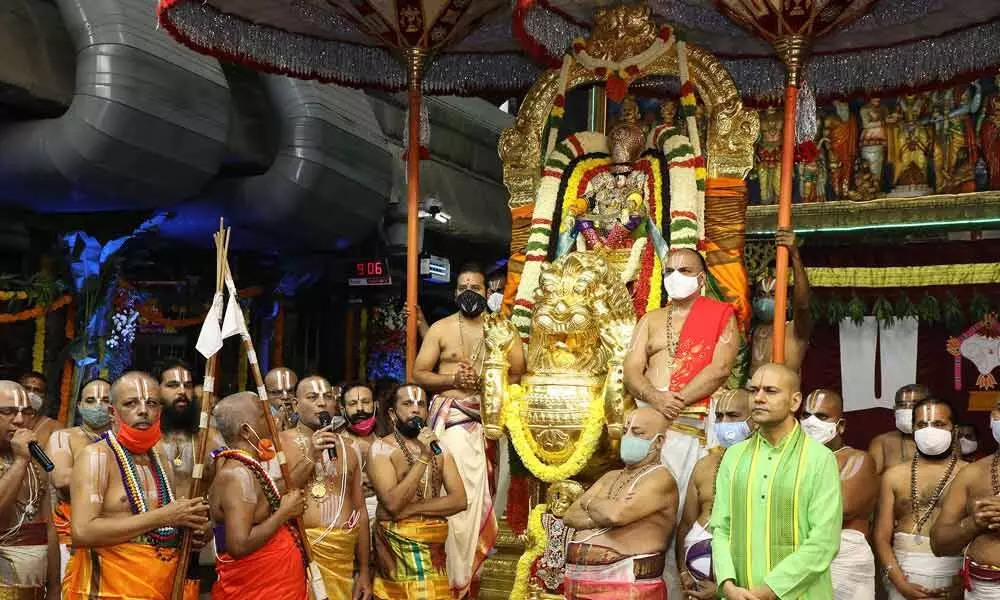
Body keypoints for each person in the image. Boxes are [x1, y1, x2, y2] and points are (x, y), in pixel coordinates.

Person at [624, 247, 739, 595]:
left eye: (685, 270)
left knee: (688, 518)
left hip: (694, 431)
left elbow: (720, 368)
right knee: (646, 514)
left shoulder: (720, 316)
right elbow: (631, 372)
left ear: (701, 279)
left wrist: (677, 401)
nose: (676, 276)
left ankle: (689, 585)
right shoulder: (650, 320)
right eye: (670, 269)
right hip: (650, 432)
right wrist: (658, 399)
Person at [413, 263, 524, 598]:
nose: (469, 294)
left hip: (487, 422)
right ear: (454, 292)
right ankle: (450, 577)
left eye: (475, 288)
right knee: (453, 497)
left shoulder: (501, 329)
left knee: (485, 496)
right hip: (452, 423)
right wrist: (452, 380)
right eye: (463, 288)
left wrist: (489, 382)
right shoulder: (442, 329)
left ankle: (476, 574)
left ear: (487, 293)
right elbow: (420, 373)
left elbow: (519, 373)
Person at [63, 371, 210, 600]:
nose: (143, 410)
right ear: (113, 413)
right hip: (109, 592)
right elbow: (83, 532)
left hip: (161, 588)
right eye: (131, 403)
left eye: (151, 403)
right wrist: (166, 516)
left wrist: (189, 532)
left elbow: (163, 529)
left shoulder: (160, 458)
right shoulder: (97, 456)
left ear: (160, 411)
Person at [712, 364, 843, 600]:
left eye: (770, 391)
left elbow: (824, 541)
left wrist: (770, 590)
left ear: (794, 402)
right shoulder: (734, 455)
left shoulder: (819, 458)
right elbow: (721, 527)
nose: (759, 398)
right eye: (754, 390)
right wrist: (728, 585)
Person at [561, 407, 678, 599]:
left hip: (628, 587)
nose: (628, 437)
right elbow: (570, 515)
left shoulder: (660, 478)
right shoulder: (610, 476)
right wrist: (600, 512)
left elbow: (615, 515)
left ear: (658, 442)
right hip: (577, 585)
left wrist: (588, 501)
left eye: (637, 433)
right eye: (625, 431)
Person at [367, 383, 467, 600]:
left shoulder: (440, 449)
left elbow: (459, 500)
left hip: (432, 547)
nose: (415, 410)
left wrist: (412, 508)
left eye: (421, 404)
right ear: (393, 413)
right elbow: (393, 504)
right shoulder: (381, 449)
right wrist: (423, 457)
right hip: (398, 551)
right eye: (408, 403)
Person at [209, 391, 308, 600]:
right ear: (246, 431)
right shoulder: (235, 475)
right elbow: (239, 545)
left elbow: (265, 501)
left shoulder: (249, 467)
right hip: (256, 590)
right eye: (264, 415)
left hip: (278, 587)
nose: (273, 418)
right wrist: (284, 512)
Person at [279, 376, 371, 599]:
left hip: (342, 557)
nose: (322, 403)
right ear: (295, 403)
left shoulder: (351, 448)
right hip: (301, 555)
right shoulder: (280, 442)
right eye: (312, 397)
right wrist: (311, 454)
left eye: (327, 397)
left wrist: (365, 571)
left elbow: (360, 511)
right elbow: (276, 496)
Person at [875, 397, 965, 600]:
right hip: (904, 573)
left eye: (939, 424)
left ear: (954, 430)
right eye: (922, 425)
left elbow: (978, 535)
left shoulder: (969, 474)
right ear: (913, 429)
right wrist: (898, 581)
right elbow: (881, 536)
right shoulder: (893, 475)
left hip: (954, 575)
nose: (929, 430)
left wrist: (962, 584)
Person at [800, 388, 880, 600]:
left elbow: (840, 509)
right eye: (806, 415)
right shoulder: (794, 459)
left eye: (821, 416)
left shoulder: (858, 459)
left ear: (841, 425)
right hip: (799, 557)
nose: (811, 422)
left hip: (844, 558)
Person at [676, 388, 754, 600]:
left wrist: (723, 591)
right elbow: (685, 524)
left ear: (754, 420)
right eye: (719, 416)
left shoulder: (767, 466)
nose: (724, 422)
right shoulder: (704, 465)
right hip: (694, 585)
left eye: (733, 416)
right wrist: (683, 572)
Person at [931, 401, 1000, 598]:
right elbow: (939, 544)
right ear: (991, 417)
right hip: (981, 590)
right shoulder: (971, 474)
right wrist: (974, 523)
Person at [48, 378, 112, 579]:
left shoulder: (124, 440)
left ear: (115, 404)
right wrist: (115, 479)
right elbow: (61, 478)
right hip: (70, 535)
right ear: (80, 405)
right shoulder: (63, 437)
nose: (98, 406)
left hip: (116, 536)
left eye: (105, 399)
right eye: (91, 400)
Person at [0, 380, 56, 598]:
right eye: (8, 412)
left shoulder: (36, 463)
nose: (20, 420)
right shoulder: (25, 459)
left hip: (33, 590)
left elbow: (48, 528)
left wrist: (54, 588)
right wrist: (21, 460)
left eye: (27, 412)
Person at [750, 229, 813, 374]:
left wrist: (795, 255)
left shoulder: (794, 330)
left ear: (788, 302)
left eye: (773, 294)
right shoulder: (752, 331)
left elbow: (803, 305)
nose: (765, 300)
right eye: (761, 294)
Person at [869, 384, 931, 475]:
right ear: (895, 410)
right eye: (902, 405)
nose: (907, 409)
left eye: (914, 404)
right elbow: (871, 481)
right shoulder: (882, 442)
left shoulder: (943, 439)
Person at [341, 381, 380, 523]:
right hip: (347, 516)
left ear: (375, 405)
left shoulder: (388, 443)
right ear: (342, 409)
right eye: (352, 404)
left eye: (365, 402)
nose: (360, 409)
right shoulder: (335, 444)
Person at [19, 371, 59, 449]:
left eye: (37, 390)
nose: (31, 393)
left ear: (45, 396)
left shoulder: (54, 427)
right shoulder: (6, 419)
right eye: (27, 388)